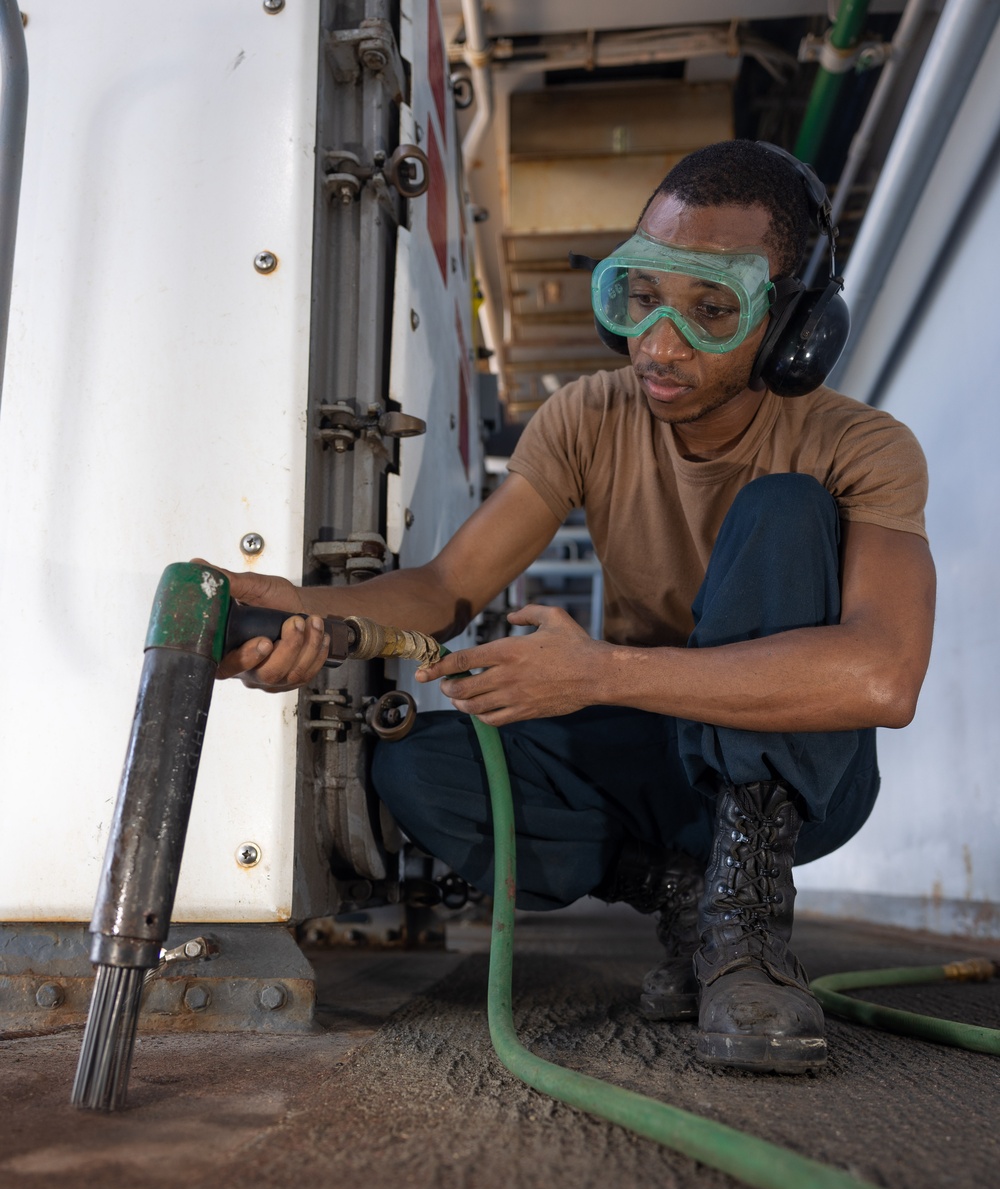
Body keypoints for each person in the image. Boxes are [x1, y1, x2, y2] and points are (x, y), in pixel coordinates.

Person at [210, 140, 935, 1075]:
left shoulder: (860, 447)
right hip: (643, 750)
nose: (660, 346)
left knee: (784, 508)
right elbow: (442, 591)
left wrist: (597, 672)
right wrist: (308, 613)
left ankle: (748, 932)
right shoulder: (589, 417)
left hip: (794, 773)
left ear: (797, 331)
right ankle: (685, 895)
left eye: (713, 312)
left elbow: (883, 674)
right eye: (643, 297)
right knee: (419, 767)